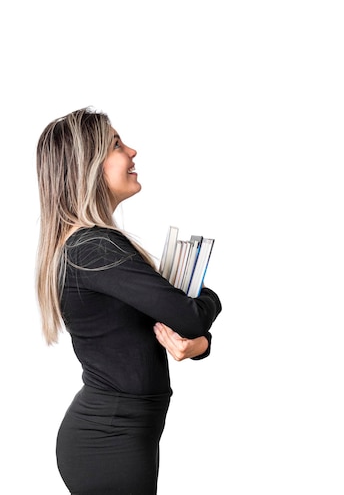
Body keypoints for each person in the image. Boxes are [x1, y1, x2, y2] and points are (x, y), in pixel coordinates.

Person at [35, 107, 222, 495]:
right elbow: (188, 315)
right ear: (87, 166)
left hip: (120, 435)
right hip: (110, 442)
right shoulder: (95, 247)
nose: (132, 151)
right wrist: (212, 298)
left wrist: (200, 343)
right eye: (116, 145)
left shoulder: (89, 245)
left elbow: (173, 329)